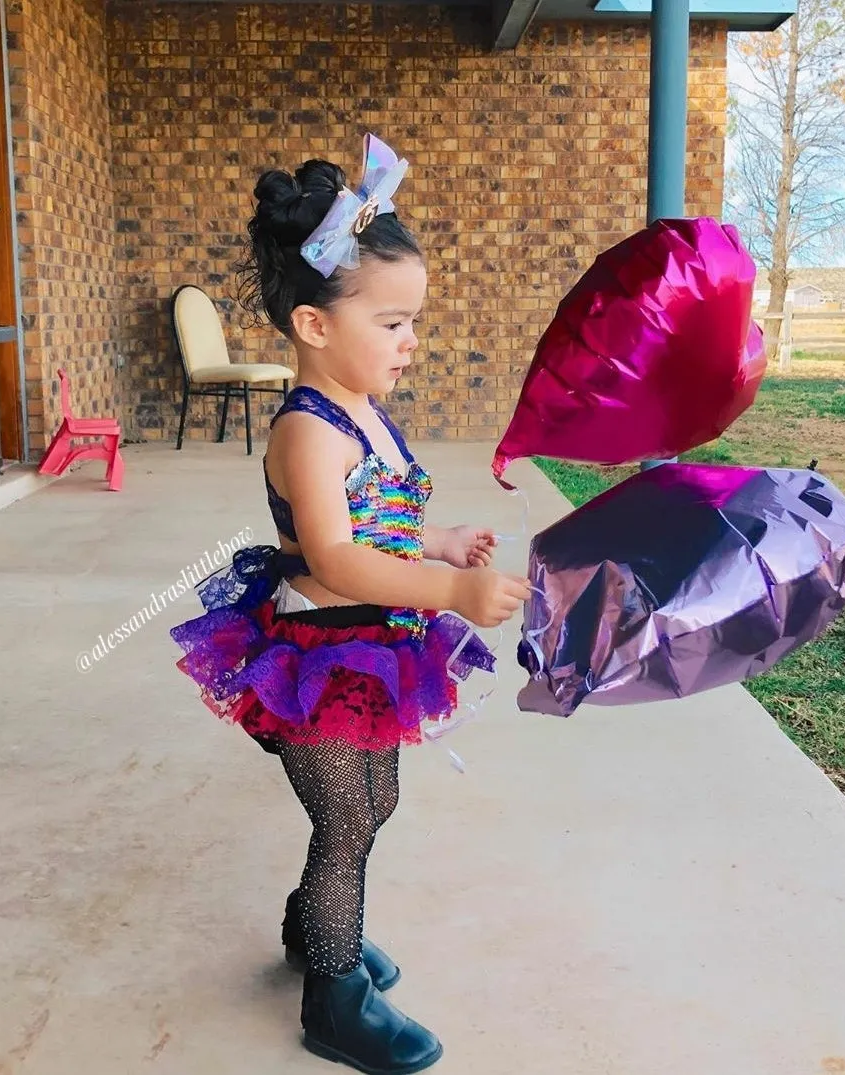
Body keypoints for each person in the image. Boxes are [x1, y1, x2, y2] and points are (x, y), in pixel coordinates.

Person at [170, 134, 529, 1074]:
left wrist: (440, 541)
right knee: (345, 823)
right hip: (318, 652)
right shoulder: (306, 429)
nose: (412, 341)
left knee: (375, 801)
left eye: (415, 320)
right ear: (315, 324)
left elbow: (381, 519)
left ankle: (311, 928)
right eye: (394, 321)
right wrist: (452, 587)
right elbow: (335, 554)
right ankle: (332, 997)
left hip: (375, 641)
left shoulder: (363, 404)